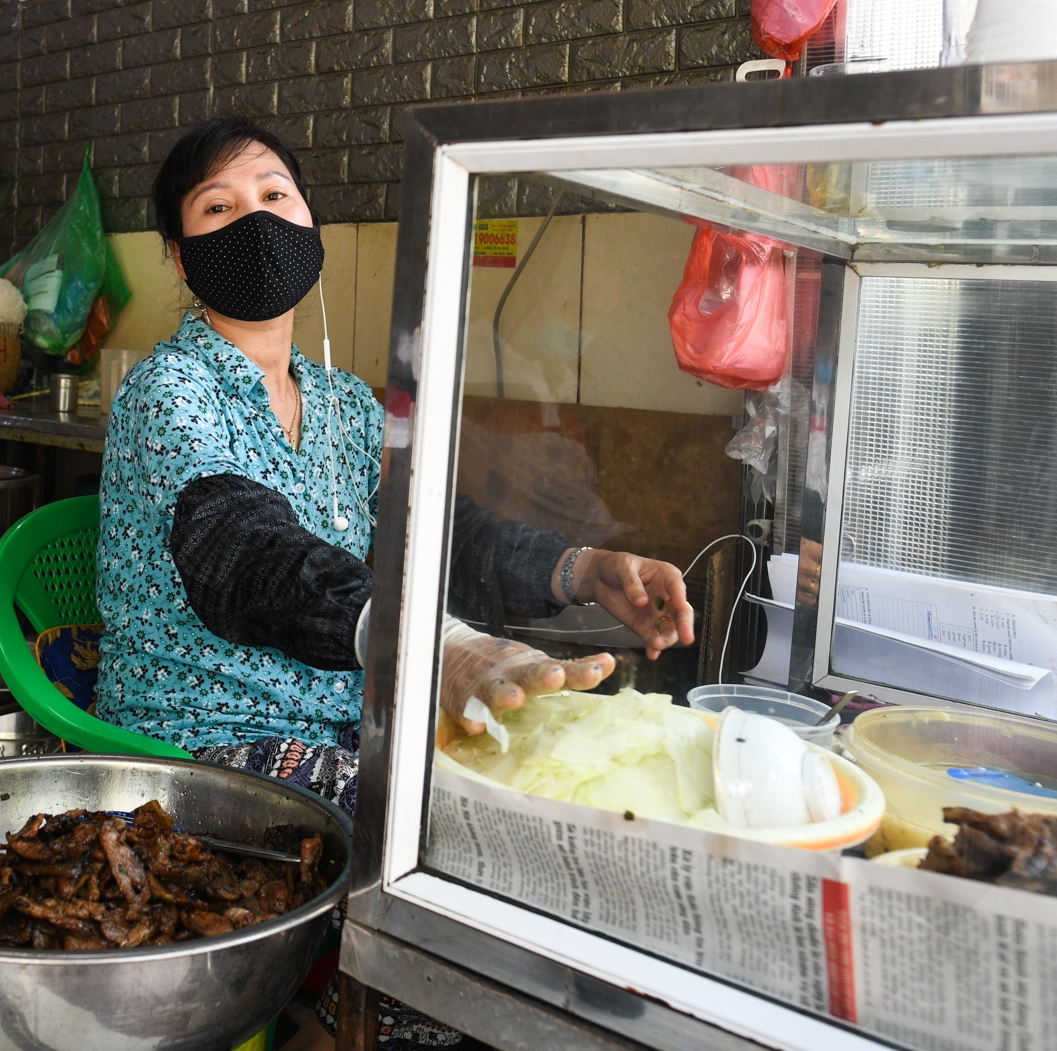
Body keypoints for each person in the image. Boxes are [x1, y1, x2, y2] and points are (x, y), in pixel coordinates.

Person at [95, 119, 694, 1050]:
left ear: (313, 228)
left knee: (529, 818)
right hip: (203, 740)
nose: (254, 220)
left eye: (274, 195)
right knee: (450, 855)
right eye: (219, 207)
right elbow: (245, 556)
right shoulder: (170, 393)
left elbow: (435, 536)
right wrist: (433, 646)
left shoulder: (343, 407)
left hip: (346, 721)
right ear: (179, 256)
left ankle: (348, 1024)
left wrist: (583, 570)